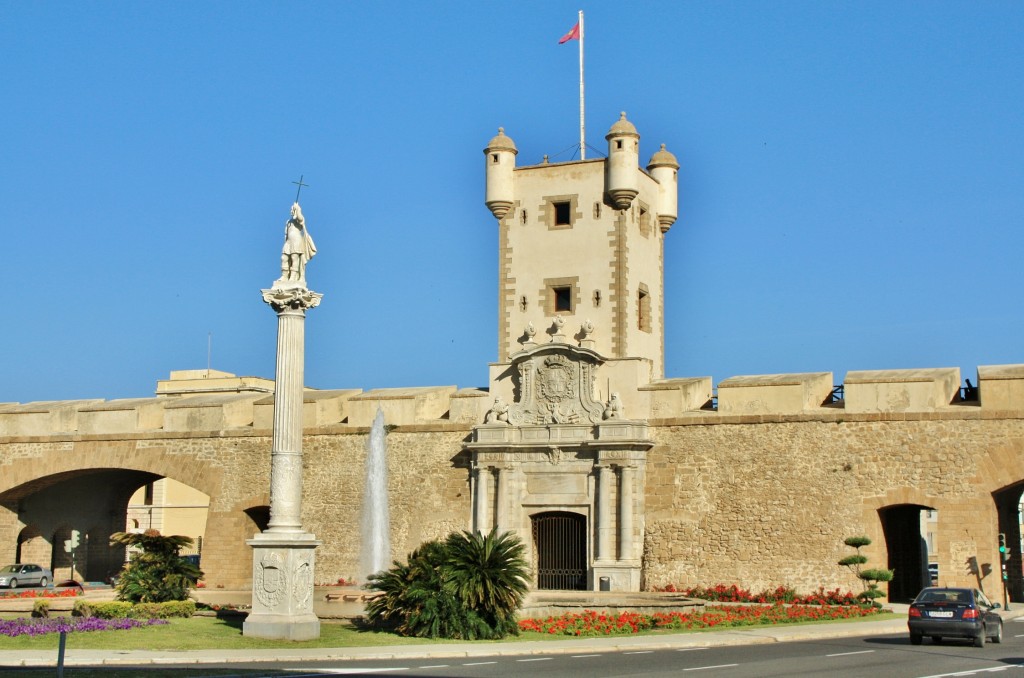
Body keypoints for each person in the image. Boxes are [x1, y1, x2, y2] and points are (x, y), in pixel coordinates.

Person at [280, 202, 316, 283]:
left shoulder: (299, 219)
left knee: (294, 258)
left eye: (292, 209)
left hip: (296, 241)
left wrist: (298, 209)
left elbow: (300, 218)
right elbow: (286, 233)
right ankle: (284, 276)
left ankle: (293, 276)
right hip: (288, 241)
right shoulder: (289, 221)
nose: (291, 211)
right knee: (284, 258)